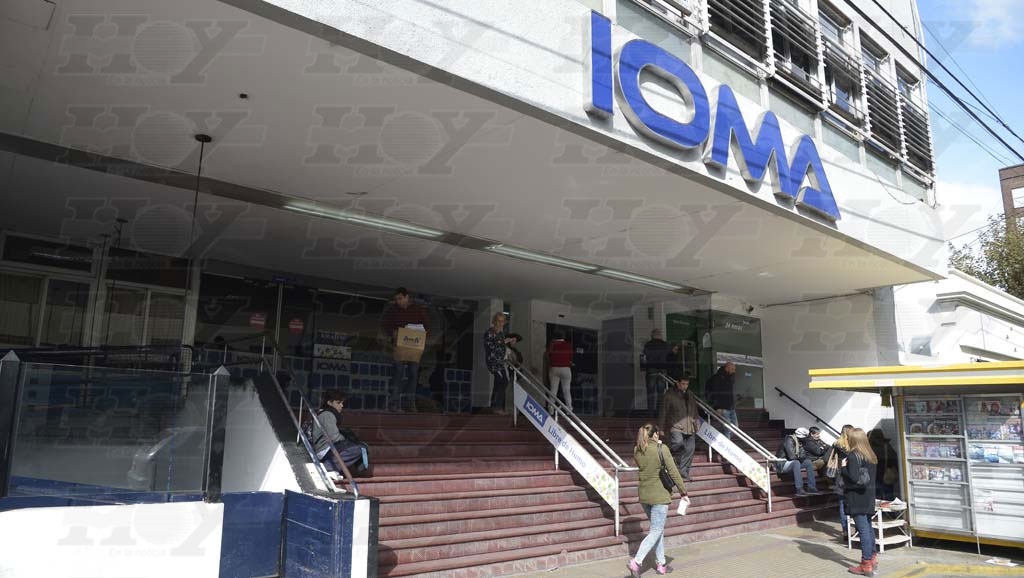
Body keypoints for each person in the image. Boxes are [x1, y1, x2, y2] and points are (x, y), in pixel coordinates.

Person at [627, 423, 688, 578]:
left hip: (644, 496)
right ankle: (636, 562)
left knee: (657, 530)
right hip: (659, 496)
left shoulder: (637, 450)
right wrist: (683, 492)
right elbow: (674, 472)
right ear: (655, 435)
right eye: (658, 434)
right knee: (656, 530)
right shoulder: (662, 449)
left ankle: (662, 564)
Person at [380, 287, 429, 412]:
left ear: (407, 297)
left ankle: (409, 403)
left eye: (400, 299)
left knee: (413, 374)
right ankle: (394, 402)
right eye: (396, 299)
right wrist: (393, 332)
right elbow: (386, 325)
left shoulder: (418, 309)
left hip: (414, 346)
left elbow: (426, 326)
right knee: (398, 373)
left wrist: (420, 333)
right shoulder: (393, 310)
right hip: (400, 345)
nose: (398, 302)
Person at [842, 428, 879, 576]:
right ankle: (873, 558)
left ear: (853, 440)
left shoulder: (853, 456)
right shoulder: (870, 455)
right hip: (869, 496)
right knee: (868, 528)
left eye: (848, 438)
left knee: (863, 530)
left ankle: (866, 563)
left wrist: (843, 468)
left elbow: (853, 478)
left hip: (857, 498)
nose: (847, 440)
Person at [310, 390, 370, 476]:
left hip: (326, 448)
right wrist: (346, 439)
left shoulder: (325, 413)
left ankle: (332, 466)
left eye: (342, 403)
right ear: (329, 403)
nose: (342, 405)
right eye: (338, 403)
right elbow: (334, 437)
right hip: (324, 449)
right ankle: (326, 467)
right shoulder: (327, 414)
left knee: (359, 446)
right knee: (359, 448)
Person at [658, 373, 699, 481]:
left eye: (687, 384)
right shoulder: (669, 394)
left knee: (690, 449)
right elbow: (663, 411)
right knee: (678, 443)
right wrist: (660, 428)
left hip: (690, 426)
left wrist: (697, 423)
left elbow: (694, 410)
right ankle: (669, 459)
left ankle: (683, 473)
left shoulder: (690, 394)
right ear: (677, 383)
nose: (685, 386)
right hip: (675, 426)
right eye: (683, 384)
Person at [774, 427, 818, 495]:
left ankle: (811, 487)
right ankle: (799, 488)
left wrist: (802, 450)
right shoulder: (788, 440)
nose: (805, 439)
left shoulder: (800, 442)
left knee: (808, 462)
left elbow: (803, 456)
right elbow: (792, 457)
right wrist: (800, 457)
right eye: (804, 438)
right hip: (782, 464)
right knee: (796, 462)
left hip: (791, 462)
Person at [483, 312, 510, 414]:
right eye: (498, 321)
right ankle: (497, 407)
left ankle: (495, 407)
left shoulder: (501, 334)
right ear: (494, 321)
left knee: (500, 382)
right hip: (493, 362)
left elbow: (502, 347)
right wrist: (503, 342)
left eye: (502, 321)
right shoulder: (489, 332)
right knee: (503, 381)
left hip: (500, 362)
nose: (500, 323)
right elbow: (490, 346)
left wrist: (508, 343)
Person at [641, 329, 671, 416]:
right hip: (662, 370)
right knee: (661, 392)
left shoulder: (648, 344)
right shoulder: (665, 345)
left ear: (652, 335)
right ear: (660, 335)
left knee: (650, 392)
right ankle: (659, 413)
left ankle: (650, 413)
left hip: (651, 370)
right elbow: (669, 357)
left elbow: (644, 356)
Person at [705, 362, 738, 439]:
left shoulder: (730, 378)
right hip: (722, 408)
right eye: (732, 369)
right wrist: (716, 407)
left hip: (731, 408)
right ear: (727, 368)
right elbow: (710, 393)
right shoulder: (715, 378)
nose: (734, 371)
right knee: (727, 429)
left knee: (735, 428)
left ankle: (722, 440)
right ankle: (725, 444)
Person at [547, 332, 573, 409]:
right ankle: (569, 409)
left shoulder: (552, 344)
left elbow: (549, 355)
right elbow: (570, 357)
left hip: (554, 368)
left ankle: (551, 408)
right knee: (566, 390)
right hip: (566, 369)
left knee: (553, 390)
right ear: (563, 337)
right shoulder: (568, 345)